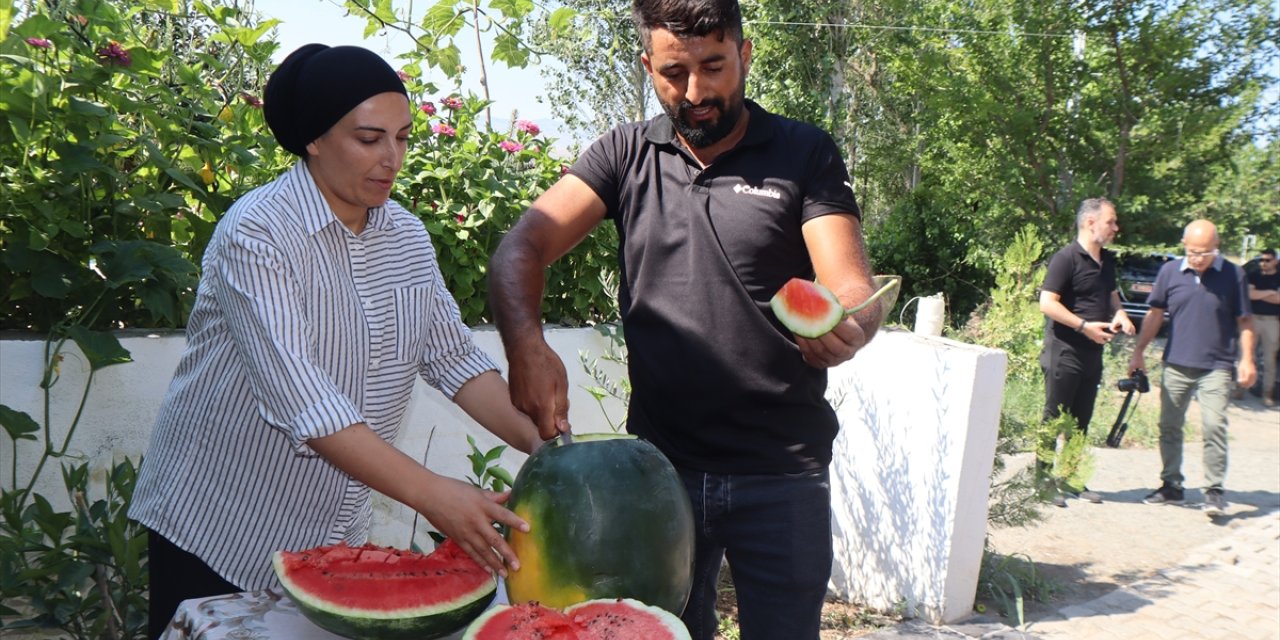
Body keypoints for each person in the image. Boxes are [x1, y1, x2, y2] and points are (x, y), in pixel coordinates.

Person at [487, 1, 882, 637]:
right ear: (648, 66)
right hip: (656, 476)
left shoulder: (803, 153)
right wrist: (525, 347)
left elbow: (850, 284)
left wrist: (854, 322)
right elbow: (520, 248)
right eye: (674, 73)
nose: (695, 92)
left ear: (745, 56)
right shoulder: (623, 155)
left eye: (714, 67)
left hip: (782, 470)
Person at [129, 44, 542, 638]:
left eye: (402, 138)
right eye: (370, 139)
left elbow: (452, 359)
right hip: (217, 522)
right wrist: (434, 495)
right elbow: (307, 404)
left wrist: (551, 451)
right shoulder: (257, 233)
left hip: (330, 531)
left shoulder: (405, 235)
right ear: (315, 139)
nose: (392, 158)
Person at [1128, 219, 1255, 517]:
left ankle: (1213, 490)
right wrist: (1138, 352)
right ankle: (1171, 485)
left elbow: (1246, 321)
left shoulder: (1233, 275)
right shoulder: (1170, 272)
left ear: (1217, 247)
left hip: (1217, 365)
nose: (1198, 258)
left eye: (1205, 252)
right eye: (1193, 251)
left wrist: (1247, 359)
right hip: (1176, 363)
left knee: (1213, 426)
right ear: (1184, 245)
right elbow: (1155, 314)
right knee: (1169, 426)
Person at [1038, 198, 1136, 506]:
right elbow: (1047, 303)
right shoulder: (1065, 258)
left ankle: (1069, 479)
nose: (1116, 228)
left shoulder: (1106, 260)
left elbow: (1110, 294)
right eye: (1111, 222)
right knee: (1055, 419)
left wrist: (1119, 313)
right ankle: (1041, 481)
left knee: (1081, 419)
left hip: (1093, 354)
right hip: (1064, 350)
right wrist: (1083, 326)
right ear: (1090, 223)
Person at [1246, 248, 1279, 407]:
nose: (1263, 263)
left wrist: (1260, 293)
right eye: (1261, 260)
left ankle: (1267, 394)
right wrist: (1270, 292)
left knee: (1269, 359)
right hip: (1252, 318)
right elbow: (1250, 295)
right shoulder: (1253, 275)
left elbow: (1279, 300)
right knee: (1246, 354)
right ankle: (1240, 388)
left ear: (1275, 261)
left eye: (1267, 260)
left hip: (1272, 321)